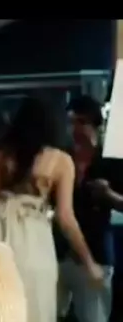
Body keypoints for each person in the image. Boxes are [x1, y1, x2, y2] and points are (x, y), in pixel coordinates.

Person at [0, 97, 104, 322]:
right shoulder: (61, 161)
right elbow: (65, 218)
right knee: (33, 304)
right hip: (33, 239)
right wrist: (89, 262)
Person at [56, 95, 123, 322]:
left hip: (96, 251)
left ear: (96, 125)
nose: (74, 128)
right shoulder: (61, 158)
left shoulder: (110, 161)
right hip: (58, 251)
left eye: (81, 122)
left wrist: (108, 195)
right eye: (70, 122)